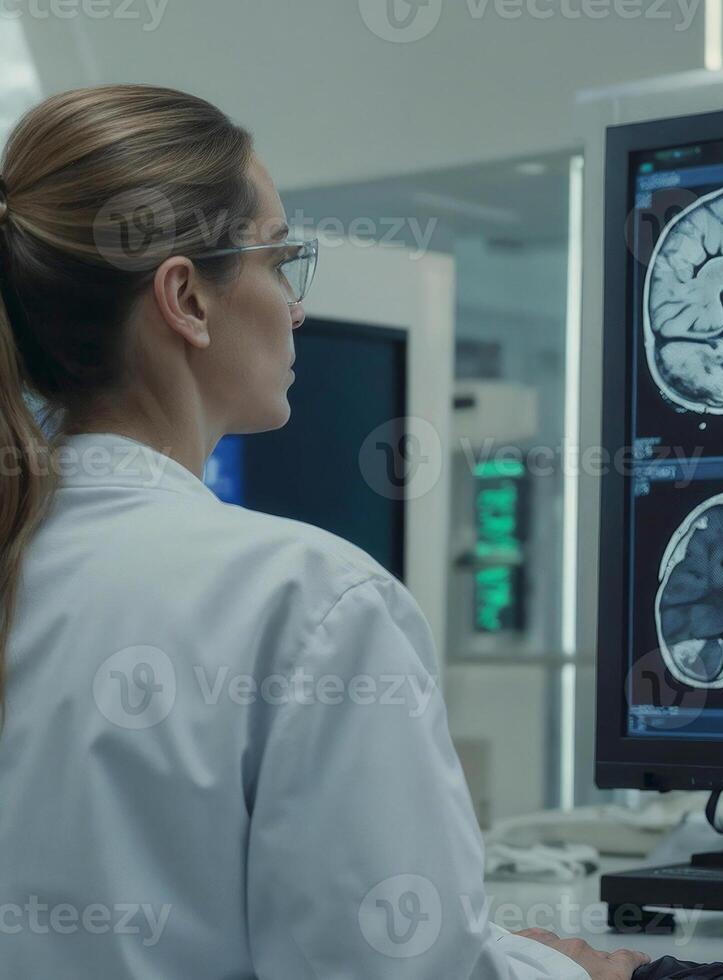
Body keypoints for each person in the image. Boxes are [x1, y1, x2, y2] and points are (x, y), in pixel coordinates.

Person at [0, 85, 648, 980]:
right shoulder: (309, 600)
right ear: (186, 298)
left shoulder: (28, 558)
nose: (297, 308)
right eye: (279, 261)